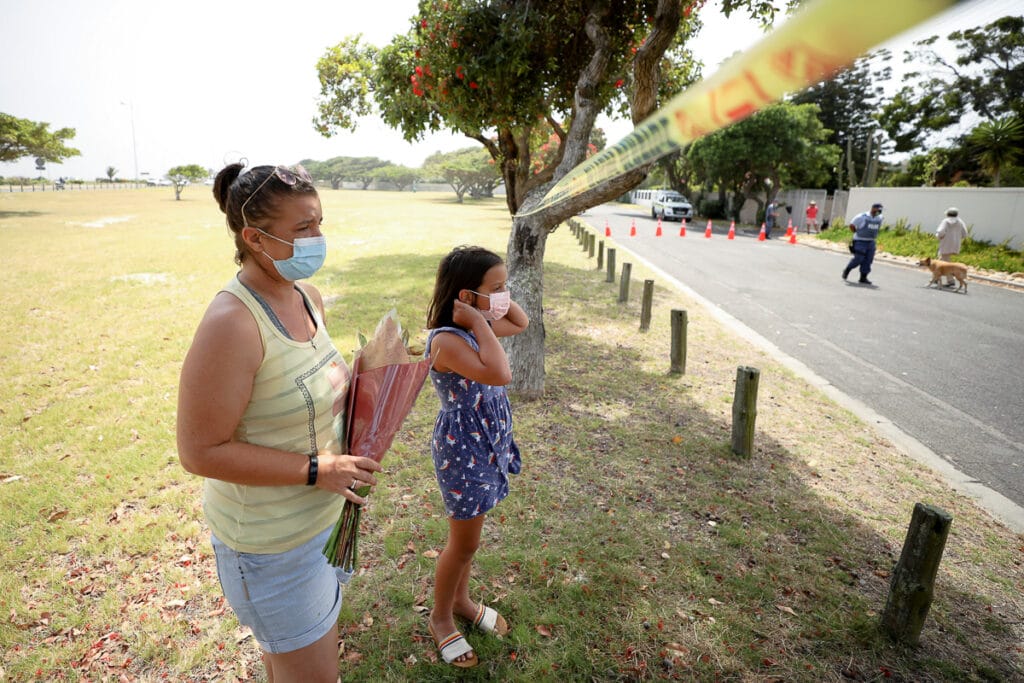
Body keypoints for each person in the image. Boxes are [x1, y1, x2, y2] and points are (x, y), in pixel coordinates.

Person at [177, 162, 383, 682]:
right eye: (302, 229)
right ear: (254, 237)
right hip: (272, 549)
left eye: (319, 223)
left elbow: (308, 382)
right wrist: (318, 469)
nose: (318, 238)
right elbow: (199, 452)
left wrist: (367, 379)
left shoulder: (305, 297)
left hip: (324, 524)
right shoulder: (232, 323)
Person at [424, 246, 529, 668]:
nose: (505, 296)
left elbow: (520, 322)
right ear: (466, 297)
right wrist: (476, 319)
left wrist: (492, 302)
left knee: (470, 542)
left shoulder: (479, 324)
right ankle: (441, 616)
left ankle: (463, 601)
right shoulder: (447, 339)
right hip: (463, 450)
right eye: (497, 288)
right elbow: (499, 373)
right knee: (463, 543)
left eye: (506, 286)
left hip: (487, 444)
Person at [842, 202, 884, 285]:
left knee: (868, 260)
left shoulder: (880, 217)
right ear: (873, 208)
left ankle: (863, 277)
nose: (880, 211)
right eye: (878, 209)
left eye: (881, 210)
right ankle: (847, 269)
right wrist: (856, 232)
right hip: (860, 241)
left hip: (871, 241)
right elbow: (852, 225)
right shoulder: (862, 216)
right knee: (858, 258)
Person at [936, 207, 968, 287]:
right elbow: (965, 234)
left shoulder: (945, 221)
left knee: (946, 262)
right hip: (955, 244)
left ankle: (950, 280)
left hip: (946, 243)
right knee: (941, 260)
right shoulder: (960, 222)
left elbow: (940, 232)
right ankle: (936, 277)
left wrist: (939, 237)